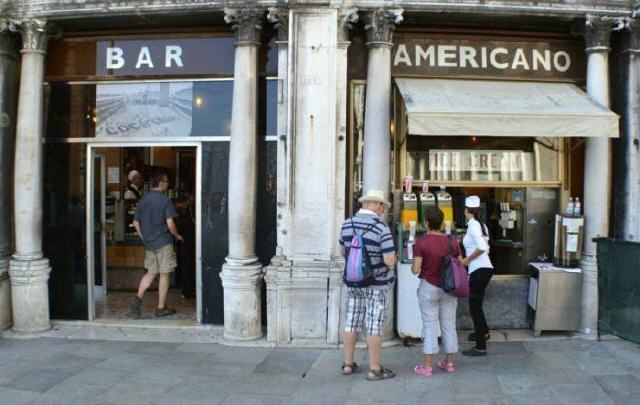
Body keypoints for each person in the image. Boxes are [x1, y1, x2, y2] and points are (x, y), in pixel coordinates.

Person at [339, 189, 397, 381]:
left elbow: (342, 252)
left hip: (353, 281)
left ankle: (348, 364)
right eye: (382, 205)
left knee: (351, 321)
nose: (383, 209)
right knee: (374, 325)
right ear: (376, 204)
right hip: (376, 284)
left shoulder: (347, 224)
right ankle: (374, 369)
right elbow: (389, 260)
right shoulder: (382, 229)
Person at [412, 206, 461, 377]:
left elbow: (416, 269)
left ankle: (427, 366)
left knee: (430, 325)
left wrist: (415, 263)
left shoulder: (421, 242)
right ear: (441, 223)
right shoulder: (452, 241)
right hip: (449, 288)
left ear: (426, 223)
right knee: (449, 324)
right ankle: (449, 363)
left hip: (429, 287)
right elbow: (459, 263)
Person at [129, 172, 183, 318]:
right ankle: (160, 308)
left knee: (151, 272)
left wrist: (144, 238)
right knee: (164, 274)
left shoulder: (143, 200)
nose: (168, 184)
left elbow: (135, 223)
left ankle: (137, 299)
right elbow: (171, 224)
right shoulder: (165, 201)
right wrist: (177, 235)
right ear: (160, 183)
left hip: (150, 244)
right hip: (164, 242)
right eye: (166, 182)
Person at [460, 195, 494, 356]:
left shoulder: (474, 225)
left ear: (467, 211)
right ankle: (483, 333)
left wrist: (466, 260)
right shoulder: (482, 225)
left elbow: (482, 247)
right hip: (485, 268)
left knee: (475, 308)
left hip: (479, 269)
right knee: (477, 305)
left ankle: (480, 346)